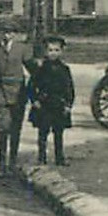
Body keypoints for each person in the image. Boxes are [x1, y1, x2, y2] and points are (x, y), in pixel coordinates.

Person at [0, 25, 28, 175]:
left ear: (15, 34)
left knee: (15, 129)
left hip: (18, 94)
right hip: (0, 93)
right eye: (3, 31)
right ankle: (1, 163)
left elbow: (32, 68)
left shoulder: (22, 49)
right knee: (3, 128)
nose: (6, 34)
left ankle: (13, 162)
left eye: (10, 31)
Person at [29, 36, 75, 165]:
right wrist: (34, 100)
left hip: (59, 104)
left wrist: (68, 104)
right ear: (45, 51)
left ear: (61, 51)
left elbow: (69, 88)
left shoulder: (64, 69)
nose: (53, 53)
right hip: (44, 104)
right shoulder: (40, 68)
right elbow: (31, 86)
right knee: (43, 132)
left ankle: (59, 158)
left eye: (56, 50)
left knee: (58, 132)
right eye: (50, 50)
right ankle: (41, 157)